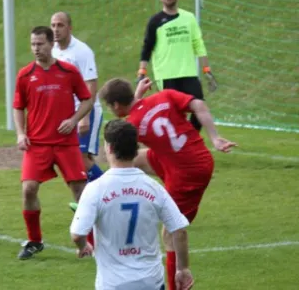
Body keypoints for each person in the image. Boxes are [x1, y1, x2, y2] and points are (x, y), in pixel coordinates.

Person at [99, 77, 236, 290]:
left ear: (116, 105)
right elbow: (198, 104)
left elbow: (122, 140)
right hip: (193, 157)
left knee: (171, 232)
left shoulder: (133, 124)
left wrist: (135, 99)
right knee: (136, 159)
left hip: (188, 173)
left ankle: (176, 283)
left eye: (110, 106)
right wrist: (215, 138)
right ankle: (104, 193)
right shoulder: (165, 96)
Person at [70, 119, 194, 290]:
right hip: (151, 282)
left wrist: (83, 246)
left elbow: (77, 234)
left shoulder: (95, 189)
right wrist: (182, 269)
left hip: (113, 284)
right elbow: (179, 230)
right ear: (136, 150)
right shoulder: (154, 187)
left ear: (110, 148)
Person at [12, 26, 94, 260]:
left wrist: (74, 120)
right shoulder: (25, 75)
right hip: (37, 144)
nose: (36, 49)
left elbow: (87, 100)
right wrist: (20, 133)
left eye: (40, 44)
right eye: (33, 44)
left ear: (51, 44)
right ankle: (35, 240)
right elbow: (18, 107)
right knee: (28, 189)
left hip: (66, 143)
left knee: (80, 191)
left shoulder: (68, 72)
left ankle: (91, 242)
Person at [137, 0, 218, 131]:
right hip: (166, 75)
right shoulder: (155, 22)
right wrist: (142, 72)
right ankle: (177, 145)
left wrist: (206, 69)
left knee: (199, 107)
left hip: (188, 73)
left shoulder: (189, 18)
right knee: (172, 114)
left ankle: (190, 140)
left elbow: (198, 45)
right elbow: (147, 47)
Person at [51, 12, 104, 202]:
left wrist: (84, 117)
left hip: (84, 111)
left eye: (60, 25)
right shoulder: (53, 51)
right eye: (53, 25)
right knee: (71, 159)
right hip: (64, 114)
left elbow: (91, 85)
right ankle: (90, 199)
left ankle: (108, 193)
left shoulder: (82, 51)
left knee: (80, 158)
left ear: (69, 28)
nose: (56, 29)